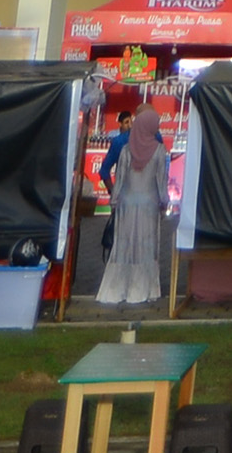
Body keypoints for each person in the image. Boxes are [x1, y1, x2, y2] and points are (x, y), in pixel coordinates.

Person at [93, 96, 169, 309]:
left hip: (127, 204)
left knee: (124, 245)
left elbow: (120, 180)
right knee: (145, 245)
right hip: (148, 205)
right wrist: (164, 202)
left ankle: (118, 288)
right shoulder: (159, 150)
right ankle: (144, 289)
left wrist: (115, 201)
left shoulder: (126, 150)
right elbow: (161, 182)